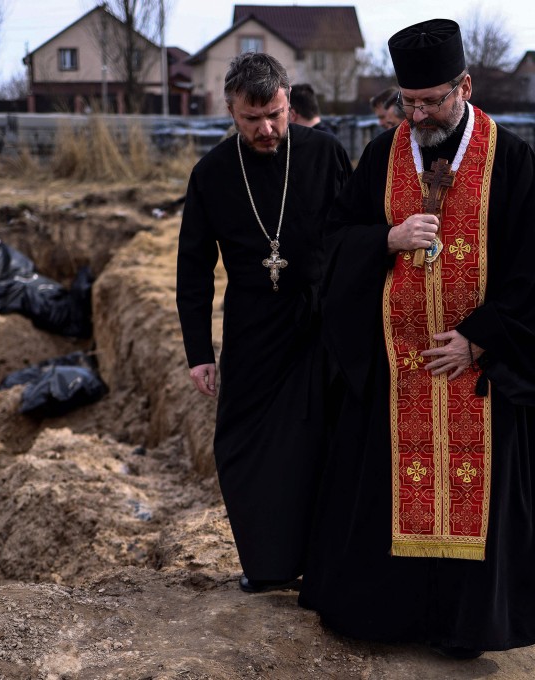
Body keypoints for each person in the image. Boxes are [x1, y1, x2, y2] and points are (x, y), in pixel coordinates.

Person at [299, 19, 535, 658]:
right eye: (407, 102)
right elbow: (329, 248)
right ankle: (384, 617)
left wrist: (480, 339)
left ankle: (463, 627)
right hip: (395, 376)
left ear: (464, 86)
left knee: (477, 501)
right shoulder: (381, 156)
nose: (416, 115)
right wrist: (383, 240)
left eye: (431, 101)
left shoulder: (510, 159)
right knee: (384, 495)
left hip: (476, 381)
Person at [176, 53, 353, 593]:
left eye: (275, 114)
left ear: (288, 98)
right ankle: (269, 564)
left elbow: (360, 239)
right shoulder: (211, 174)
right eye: (252, 119)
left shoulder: (324, 154)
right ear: (229, 109)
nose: (268, 129)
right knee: (241, 446)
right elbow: (193, 267)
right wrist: (198, 351)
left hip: (322, 321)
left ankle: (326, 564)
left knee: (322, 446)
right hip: (253, 327)